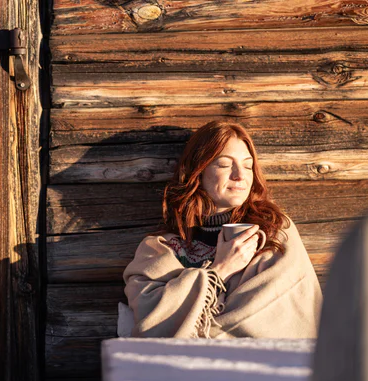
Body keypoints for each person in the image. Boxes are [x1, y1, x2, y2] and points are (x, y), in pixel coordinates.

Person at [123, 120, 323, 339]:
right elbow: (151, 323)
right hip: (187, 370)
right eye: (225, 164)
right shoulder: (163, 248)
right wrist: (221, 270)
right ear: (197, 172)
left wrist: (192, 323)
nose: (240, 175)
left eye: (248, 166)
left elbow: (278, 321)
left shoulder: (274, 232)